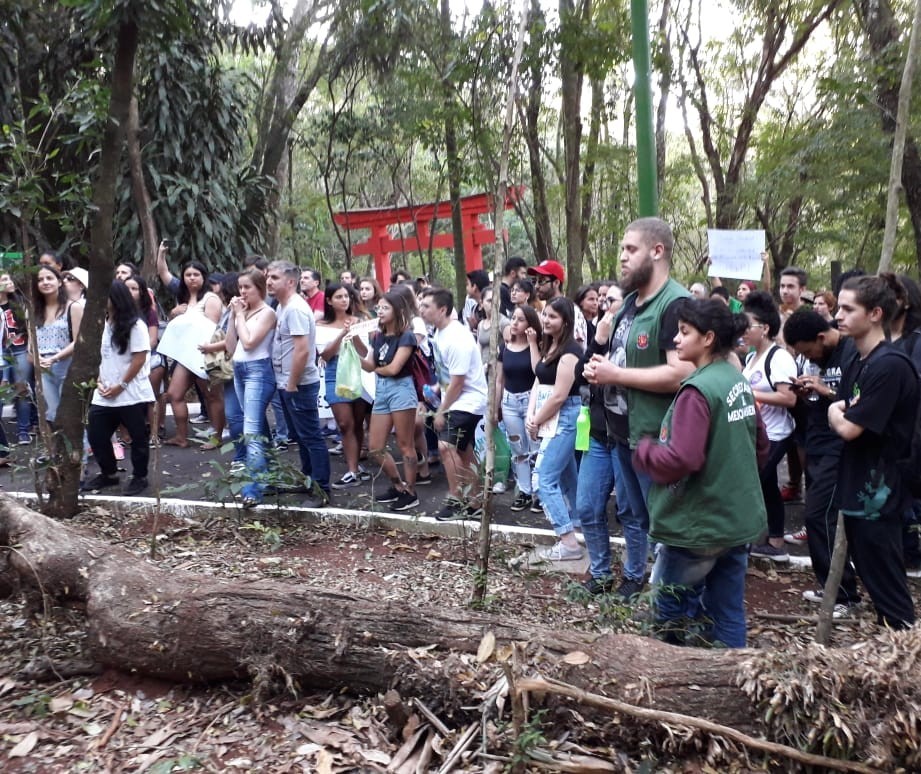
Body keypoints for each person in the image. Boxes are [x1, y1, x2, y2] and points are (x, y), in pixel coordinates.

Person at [634, 299, 768, 647]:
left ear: (708, 338)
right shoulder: (735, 380)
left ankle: (669, 682)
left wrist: (647, 452)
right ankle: (731, 682)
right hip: (736, 521)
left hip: (698, 528)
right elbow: (761, 443)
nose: (676, 340)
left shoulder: (697, 391)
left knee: (667, 609)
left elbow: (685, 458)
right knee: (727, 610)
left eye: (684, 332)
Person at [583, 217, 692, 600]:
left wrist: (618, 374)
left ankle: (673, 607)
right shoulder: (629, 304)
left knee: (666, 526)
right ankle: (653, 595)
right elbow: (621, 360)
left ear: (657, 251)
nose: (622, 259)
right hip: (619, 434)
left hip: (655, 437)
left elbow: (682, 373)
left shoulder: (675, 304)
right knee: (639, 518)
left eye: (631, 250)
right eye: (622, 250)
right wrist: (600, 368)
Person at [828, 274, 920, 630]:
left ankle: (907, 662)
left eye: (849, 309)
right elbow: (842, 407)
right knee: (873, 578)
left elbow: (849, 425)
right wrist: (840, 411)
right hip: (858, 490)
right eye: (838, 307)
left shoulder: (890, 366)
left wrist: (837, 413)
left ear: (875, 314)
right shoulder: (858, 359)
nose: (839, 315)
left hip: (880, 497)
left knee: (889, 587)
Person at [782, 310, 861, 617]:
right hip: (815, 444)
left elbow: (859, 399)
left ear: (821, 338)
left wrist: (825, 390)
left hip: (838, 448)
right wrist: (806, 392)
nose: (808, 358)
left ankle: (844, 595)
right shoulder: (818, 358)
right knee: (818, 517)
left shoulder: (852, 353)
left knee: (818, 516)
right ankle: (830, 586)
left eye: (807, 351)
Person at [576, 283, 632, 594]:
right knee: (587, 507)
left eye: (610, 300)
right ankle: (600, 573)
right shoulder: (598, 336)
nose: (603, 304)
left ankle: (634, 576)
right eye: (601, 299)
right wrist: (597, 342)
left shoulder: (636, 341)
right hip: (597, 435)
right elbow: (578, 378)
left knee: (629, 512)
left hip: (626, 437)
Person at [419, 288, 488, 521]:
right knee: (463, 449)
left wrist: (441, 411)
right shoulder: (438, 333)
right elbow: (448, 376)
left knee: (445, 447)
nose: (421, 310)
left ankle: (456, 500)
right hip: (457, 398)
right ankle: (477, 500)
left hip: (469, 400)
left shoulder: (457, 338)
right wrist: (435, 392)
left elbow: (458, 383)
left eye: (426, 306)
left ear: (443, 309)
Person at [267, 260, 331, 506]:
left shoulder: (295, 309)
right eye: (268, 277)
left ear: (290, 282)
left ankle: (322, 489)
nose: (269, 281)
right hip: (288, 382)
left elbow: (302, 350)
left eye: (274, 277)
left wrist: (291, 383)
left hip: (299, 384)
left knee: (311, 436)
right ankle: (308, 481)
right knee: (303, 437)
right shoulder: (283, 307)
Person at [82, 281, 155, 496]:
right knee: (96, 434)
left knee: (138, 437)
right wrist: (98, 381)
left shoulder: (135, 325)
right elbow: (97, 356)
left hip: (130, 392)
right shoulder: (102, 322)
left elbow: (140, 358)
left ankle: (140, 477)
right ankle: (109, 473)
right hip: (104, 391)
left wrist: (121, 385)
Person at [527, 297, 584, 561]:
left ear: (566, 321)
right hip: (549, 414)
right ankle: (577, 523)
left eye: (553, 317)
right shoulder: (549, 345)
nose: (546, 320)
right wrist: (533, 415)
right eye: (545, 315)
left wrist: (537, 419)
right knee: (565, 476)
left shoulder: (571, 351)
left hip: (565, 415)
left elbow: (560, 395)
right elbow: (540, 377)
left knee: (543, 479)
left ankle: (569, 542)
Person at [742, 291, 797, 562]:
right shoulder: (751, 358)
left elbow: (789, 397)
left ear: (764, 328)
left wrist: (753, 395)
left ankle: (755, 539)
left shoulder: (779, 357)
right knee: (767, 486)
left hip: (776, 433)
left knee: (754, 483)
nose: (742, 330)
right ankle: (775, 542)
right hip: (755, 433)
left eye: (747, 325)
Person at [352, 291, 420, 512]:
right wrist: (351, 342)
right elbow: (369, 363)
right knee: (375, 447)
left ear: (398, 310)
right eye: (378, 307)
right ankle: (397, 485)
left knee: (405, 444)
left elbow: (393, 368)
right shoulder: (377, 336)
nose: (379, 312)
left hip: (401, 388)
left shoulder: (406, 336)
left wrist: (375, 370)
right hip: (381, 388)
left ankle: (411, 491)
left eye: (385, 308)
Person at [223, 269, 277, 508]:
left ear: (260, 289)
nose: (242, 292)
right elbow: (231, 345)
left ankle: (251, 490)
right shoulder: (242, 312)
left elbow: (250, 342)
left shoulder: (268, 313)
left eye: (247, 287)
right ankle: (272, 476)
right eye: (240, 287)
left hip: (258, 370)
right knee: (258, 426)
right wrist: (234, 317)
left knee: (251, 431)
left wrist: (240, 316)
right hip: (239, 368)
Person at [161, 261, 225, 448]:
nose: (191, 278)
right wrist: (174, 313)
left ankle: (217, 438)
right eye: (188, 274)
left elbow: (211, 328)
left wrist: (186, 315)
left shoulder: (211, 298)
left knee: (212, 395)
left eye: (196, 274)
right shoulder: (181, 298)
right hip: (185, 355)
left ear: (204, 276)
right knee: (174, 394)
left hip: (205, 353)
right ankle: (181, 437)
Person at [318, 283, 371, 490]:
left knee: (358, 423)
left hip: (357, 373)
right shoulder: (321, 325)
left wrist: (354, 333)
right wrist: (342, 334)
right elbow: (325, 355)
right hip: (334, 372)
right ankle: (351, 470)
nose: (344, 300)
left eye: (347, 296)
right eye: (338, 296)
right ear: (329, 301)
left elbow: (365, 352)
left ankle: (356, 467)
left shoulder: (360, 321)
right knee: (344, 423)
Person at [497, 304, 542, 511]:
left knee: (535, 448)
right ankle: (524, 490)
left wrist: (533, 343)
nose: (514, 323)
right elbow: (499, 379)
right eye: (513, 318)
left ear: (530, 324)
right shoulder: (505, 346)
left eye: (520, 319)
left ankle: (539, 492)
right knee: (518, 449)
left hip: (530, 401)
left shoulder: (537, 345)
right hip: (509, 402)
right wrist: (495, 406)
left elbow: (538, 371)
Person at [32, 265, 83, 424]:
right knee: (51, 414)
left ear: (59, 282)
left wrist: (55, 358)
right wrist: (37, 358)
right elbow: (30, 343)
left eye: (49, 278)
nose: (45, 282)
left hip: (66, 365)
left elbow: (78, 341)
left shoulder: (73, 307)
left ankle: (83, 449)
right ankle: (57, 449)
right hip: (42, 367)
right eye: (40, 280)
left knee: (71, 414)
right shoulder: (32, 310)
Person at [0, 273, 33, 445]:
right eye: (4, 280)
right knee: (3, 390)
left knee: (22, 389)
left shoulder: (19, 303)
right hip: (1, 352)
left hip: (20, 349)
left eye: (10, 279)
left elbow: (30, 327)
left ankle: (23, 431)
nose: (10, 283)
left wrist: (30, 349)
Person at [527, 260, 587, 346]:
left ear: (556, 283)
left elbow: (578, 348)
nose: (536, 286)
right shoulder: (545, 309)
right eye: (534, 281)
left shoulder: (572, 311)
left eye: (541, 281)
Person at [475, 286, 509, 373]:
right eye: (490, 301)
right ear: (481, 303)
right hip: (482, 371)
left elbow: (508, 348)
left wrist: (488, 365)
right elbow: (478, 349)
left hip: (498, 372)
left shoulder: (504, 322)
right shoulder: (480, 324)